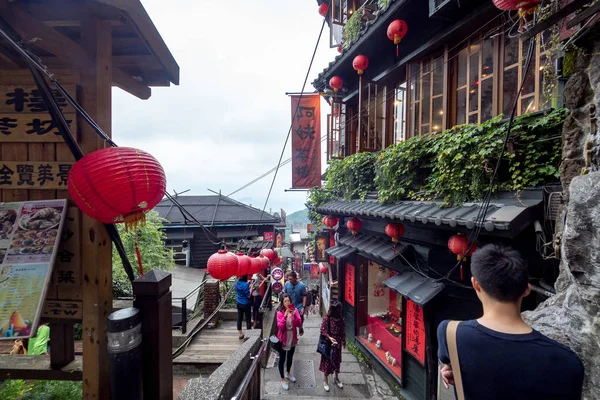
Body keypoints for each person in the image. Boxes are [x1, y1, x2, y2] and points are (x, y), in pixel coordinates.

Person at [437, 244, 584, 400]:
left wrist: (459, 371)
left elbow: (453, 361)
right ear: (527, 289)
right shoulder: (567, 362)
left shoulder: (450, 333)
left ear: (475, 284)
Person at [276, 293, 302, 391]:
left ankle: (288, 373)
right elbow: (280, 326)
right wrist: (285, 316)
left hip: (293, 337)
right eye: (285, 301)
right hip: (283, 338)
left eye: (288, 301)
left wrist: (295, 315)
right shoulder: (279, 312)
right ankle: (282, 378)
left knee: (290, 357)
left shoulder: (294, 310)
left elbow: (299, 324)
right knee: (282, 359)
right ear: (282, 303)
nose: (287, 303)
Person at [319, 301, 345, 392]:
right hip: (328, 344)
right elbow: (322, 330)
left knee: (337, 361)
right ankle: (325, 380)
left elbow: (342, 330)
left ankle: (336, 377)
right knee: (327, 362)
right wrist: (329, 338)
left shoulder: (340, 318)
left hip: (337, 344)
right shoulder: (327, 318)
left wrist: (343, 341)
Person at [235, 275, 252, 340]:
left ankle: (240, 334)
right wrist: (251, 287)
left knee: (239, 318)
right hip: (246, 304)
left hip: (239, 303)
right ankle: (249, 334)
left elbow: (237, 290)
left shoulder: (236, 282)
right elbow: (248, 295)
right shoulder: (245, 285)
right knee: (248, 319)